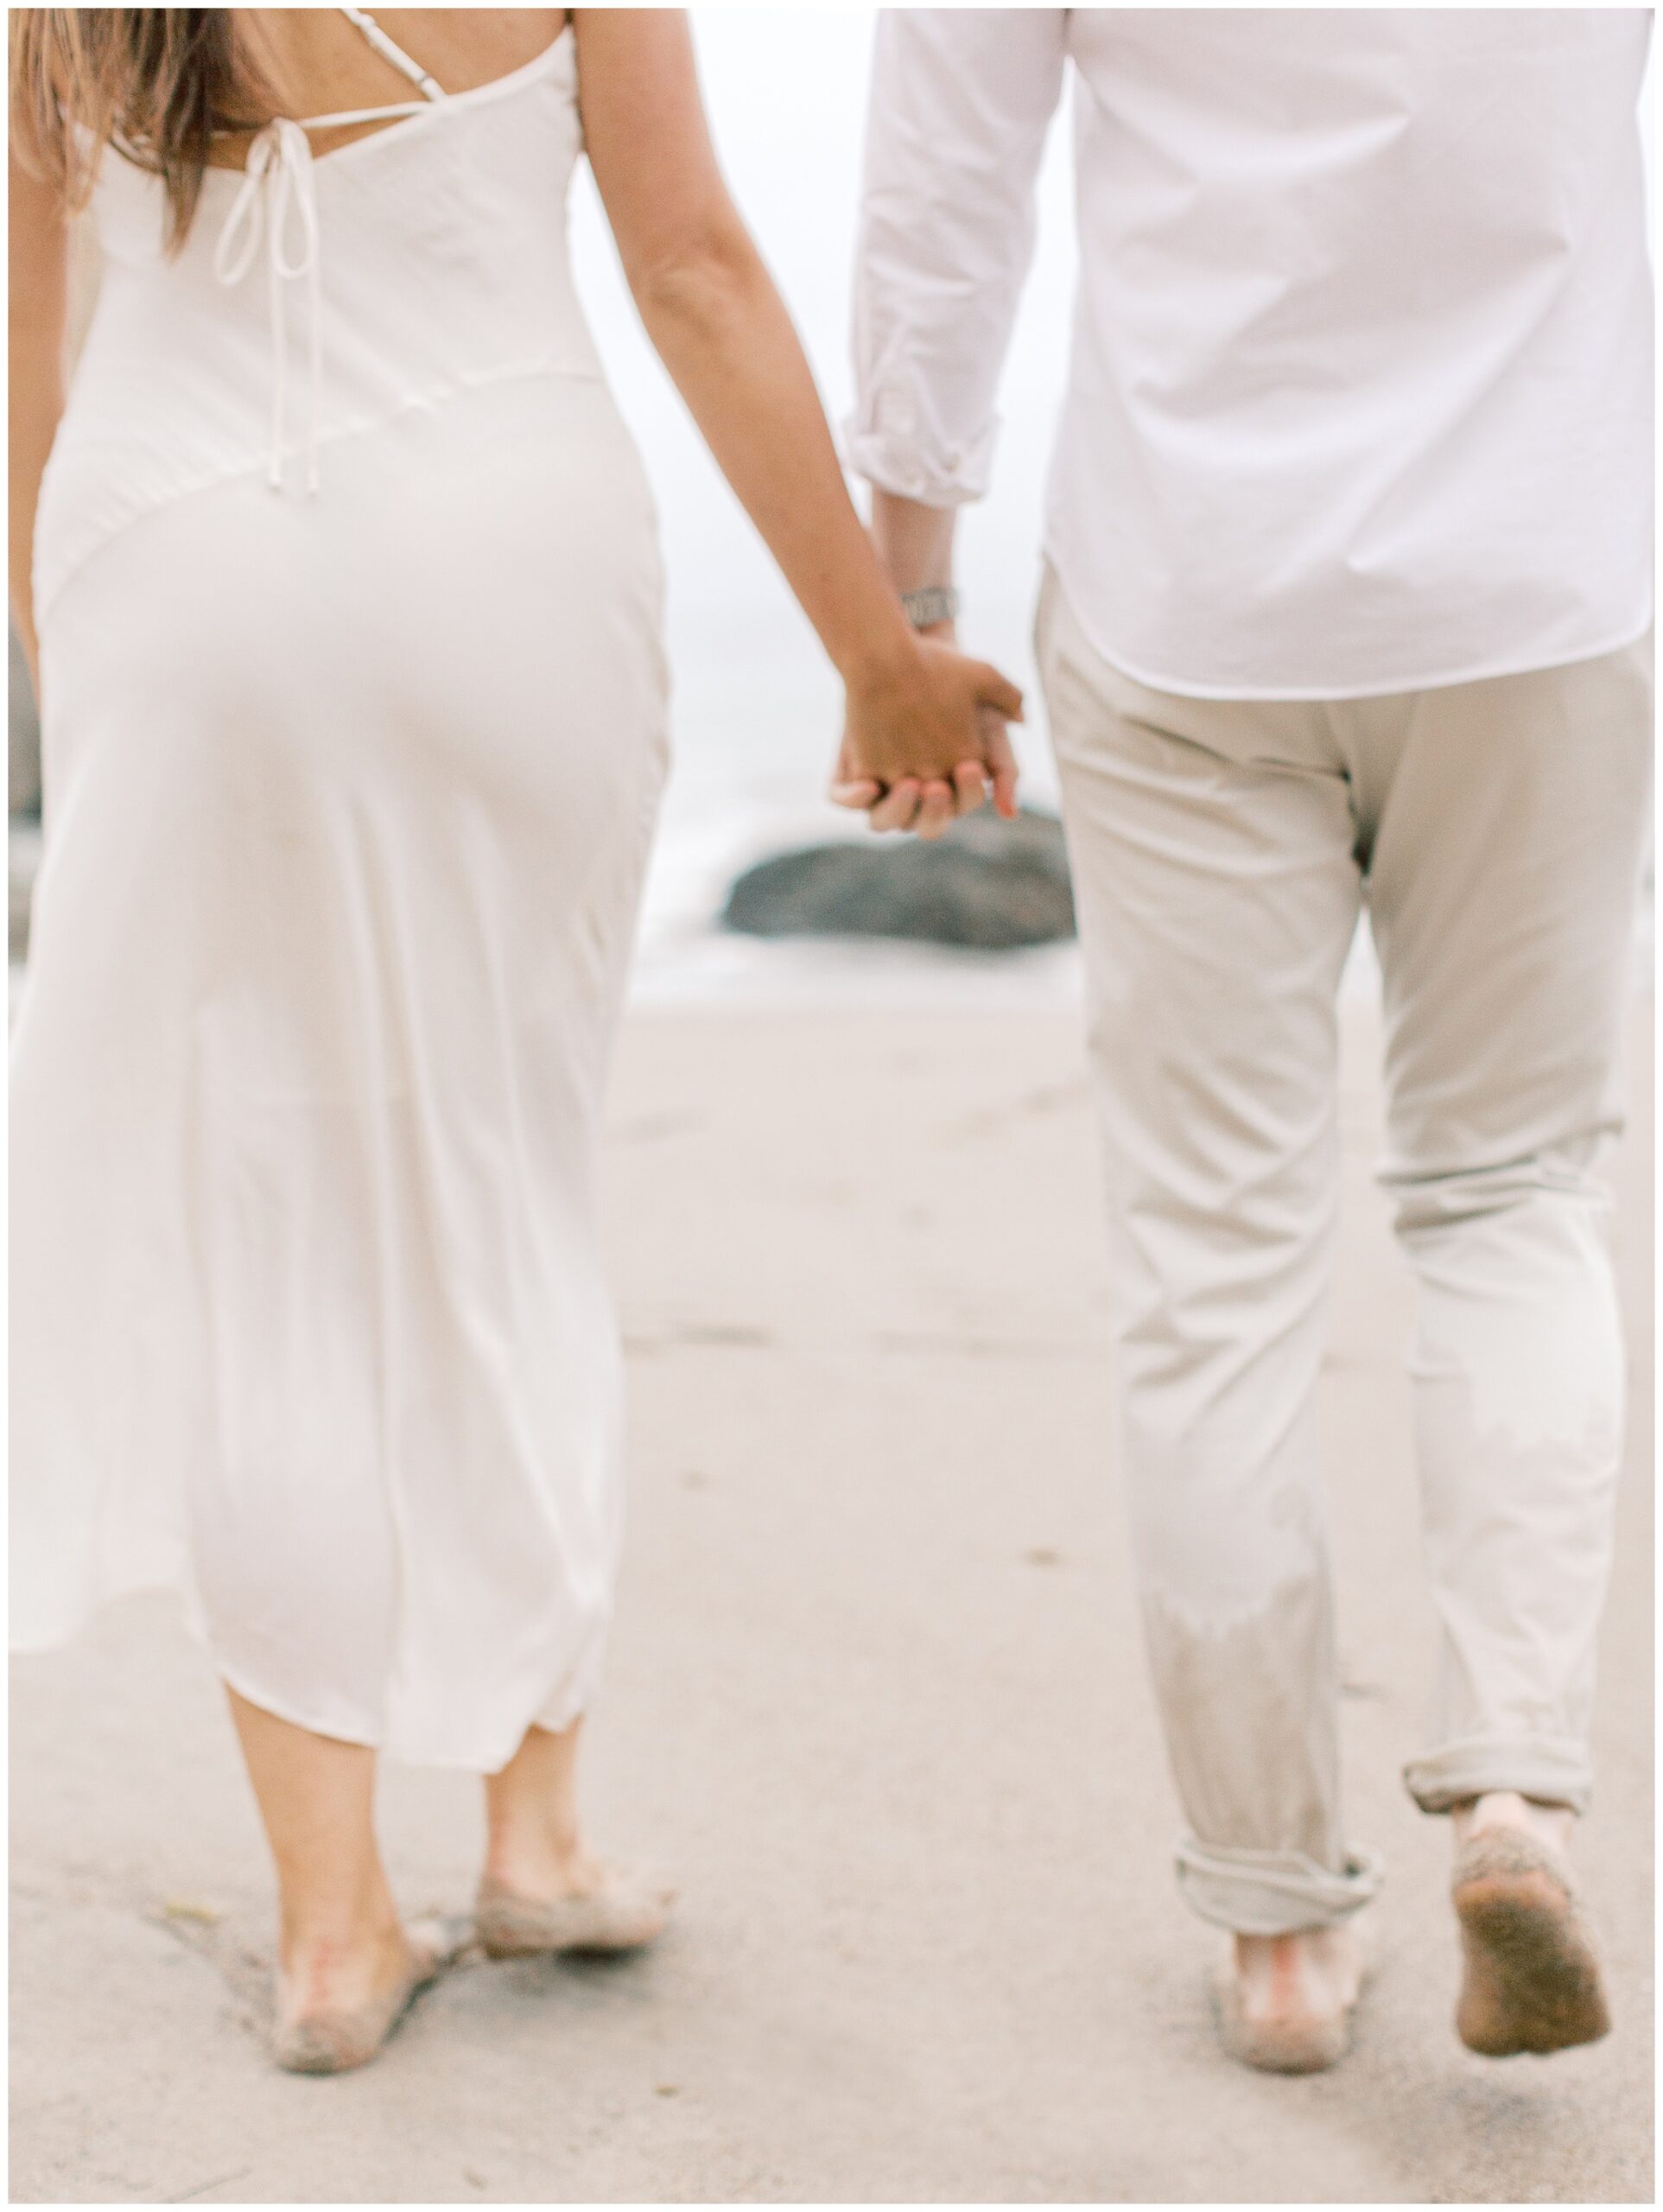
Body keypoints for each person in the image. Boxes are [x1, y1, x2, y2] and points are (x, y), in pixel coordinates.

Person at [8, 5, 1023, 2075]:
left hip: (166, 571)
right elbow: (694, 270)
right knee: (500, 1177)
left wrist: (75, 653)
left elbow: (31, 315)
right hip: (498, 547)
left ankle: (325, 1931)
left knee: (266, 1223)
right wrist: (876, 649)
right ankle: (537, 1832)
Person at [843, 7, 1652, 2073]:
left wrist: (909, 593)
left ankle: (1280, 1935)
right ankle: (1512, 1793)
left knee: (1215, 1273)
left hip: (1194, 590)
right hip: (1539, 576)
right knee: (1508, 1188)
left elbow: (951, 183)